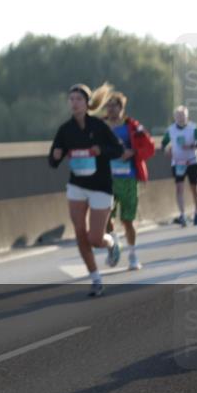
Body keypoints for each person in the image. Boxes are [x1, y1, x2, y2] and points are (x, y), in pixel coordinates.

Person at [48, 83, 124, 297]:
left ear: (87, 103)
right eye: (71, 99)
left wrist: (101, 150)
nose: (74, 103)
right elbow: (53, 159)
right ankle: (96, 279)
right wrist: (55, 156)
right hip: (77, 186)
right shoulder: (65, 130)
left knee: (95, 239)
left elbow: (118, 149)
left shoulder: (99, 127)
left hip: (100, 186)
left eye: (78, 99)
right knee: (80, 233)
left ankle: (111, 242)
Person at [101, 91, 154, 271]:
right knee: (105, 218)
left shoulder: (132, 126)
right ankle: (114, 244)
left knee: (127, 220)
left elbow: (149, 147)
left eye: (114, 105)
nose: (110, 109)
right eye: (108, 106)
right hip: (107, 179)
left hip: (128, 178)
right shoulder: (101, 126)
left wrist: (133, 153)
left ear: (121, 108)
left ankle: (132, 255)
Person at [161, 105, 197, 226]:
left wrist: (193, 146)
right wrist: (167, 150)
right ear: (174, 117)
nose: (180, 119)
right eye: (178, 117)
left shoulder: (194, 128)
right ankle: (182, 215)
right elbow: (163, 144)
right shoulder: (170, 130)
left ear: (187, 117)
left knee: (194, 187)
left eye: (183, 116)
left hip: (192, 161)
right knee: (179, 188)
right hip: (177, 163)